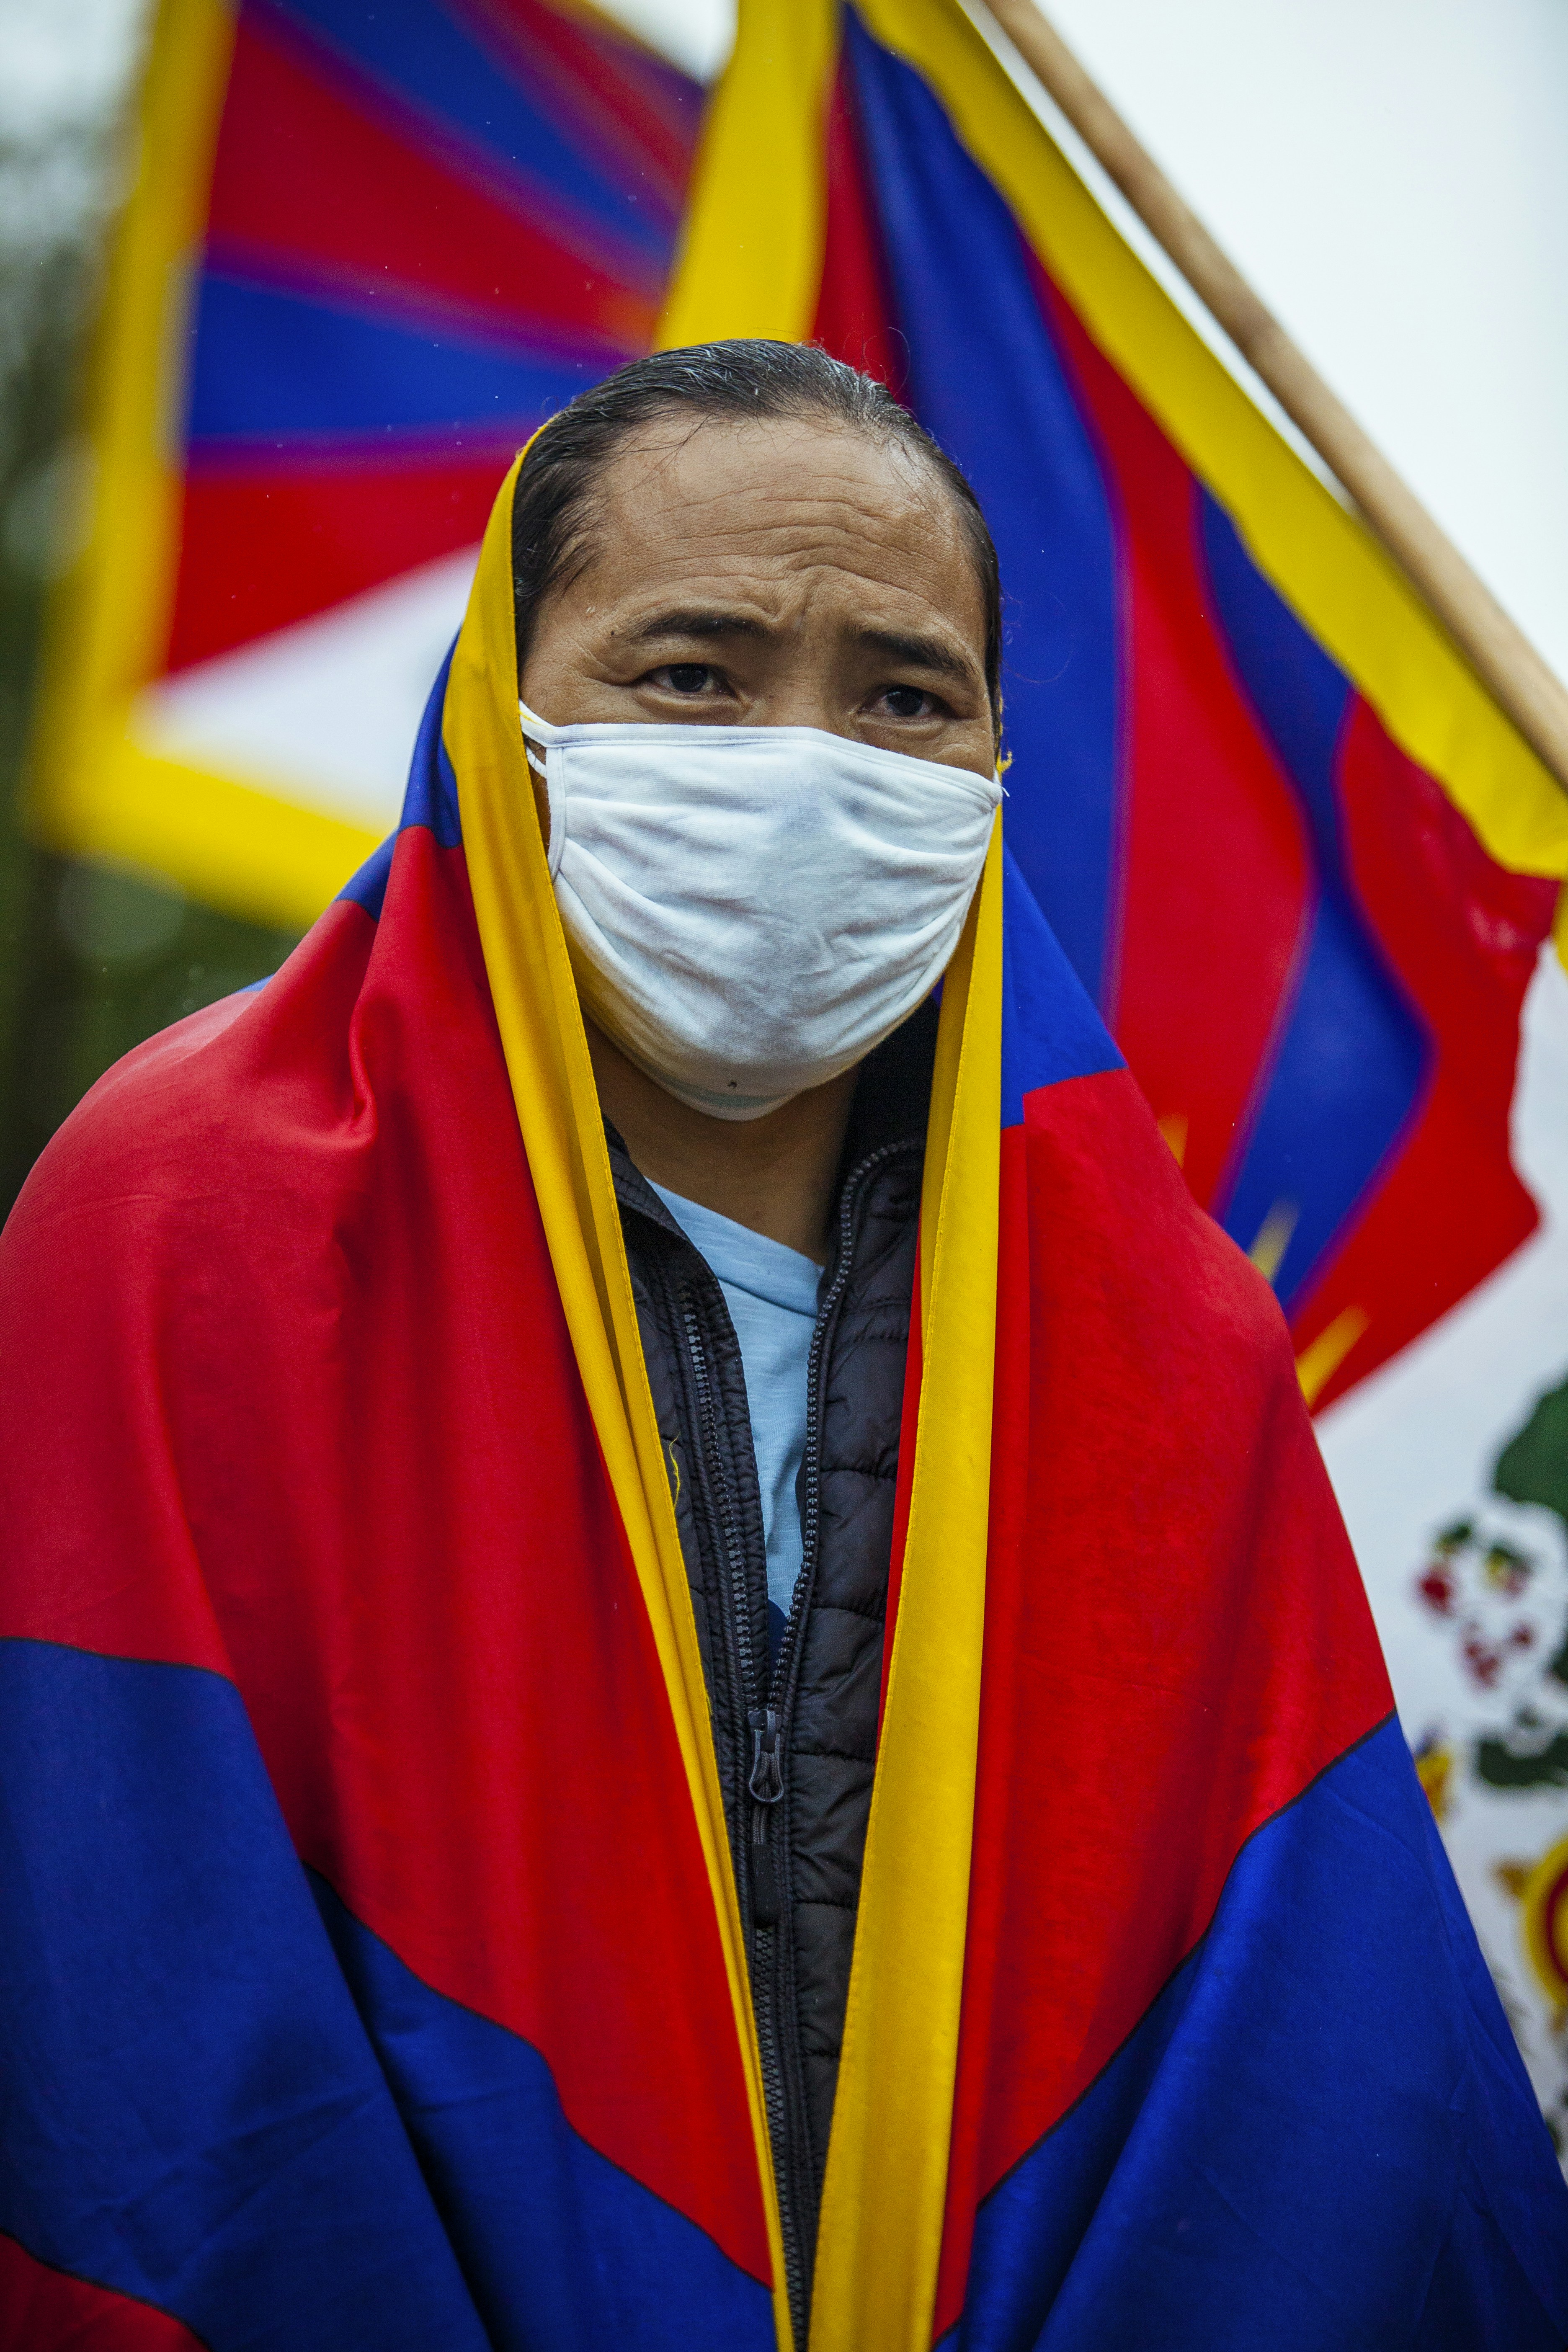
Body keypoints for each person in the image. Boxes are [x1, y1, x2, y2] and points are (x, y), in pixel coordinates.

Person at [1, 342, 1564, 2352]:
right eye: (693, 675)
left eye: (906, 697)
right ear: (499, 711)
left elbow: (1316, 2065)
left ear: (1002, 759)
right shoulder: (180, 1231)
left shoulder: (1173, 1343)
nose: (803, 764)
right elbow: (131, 2020)